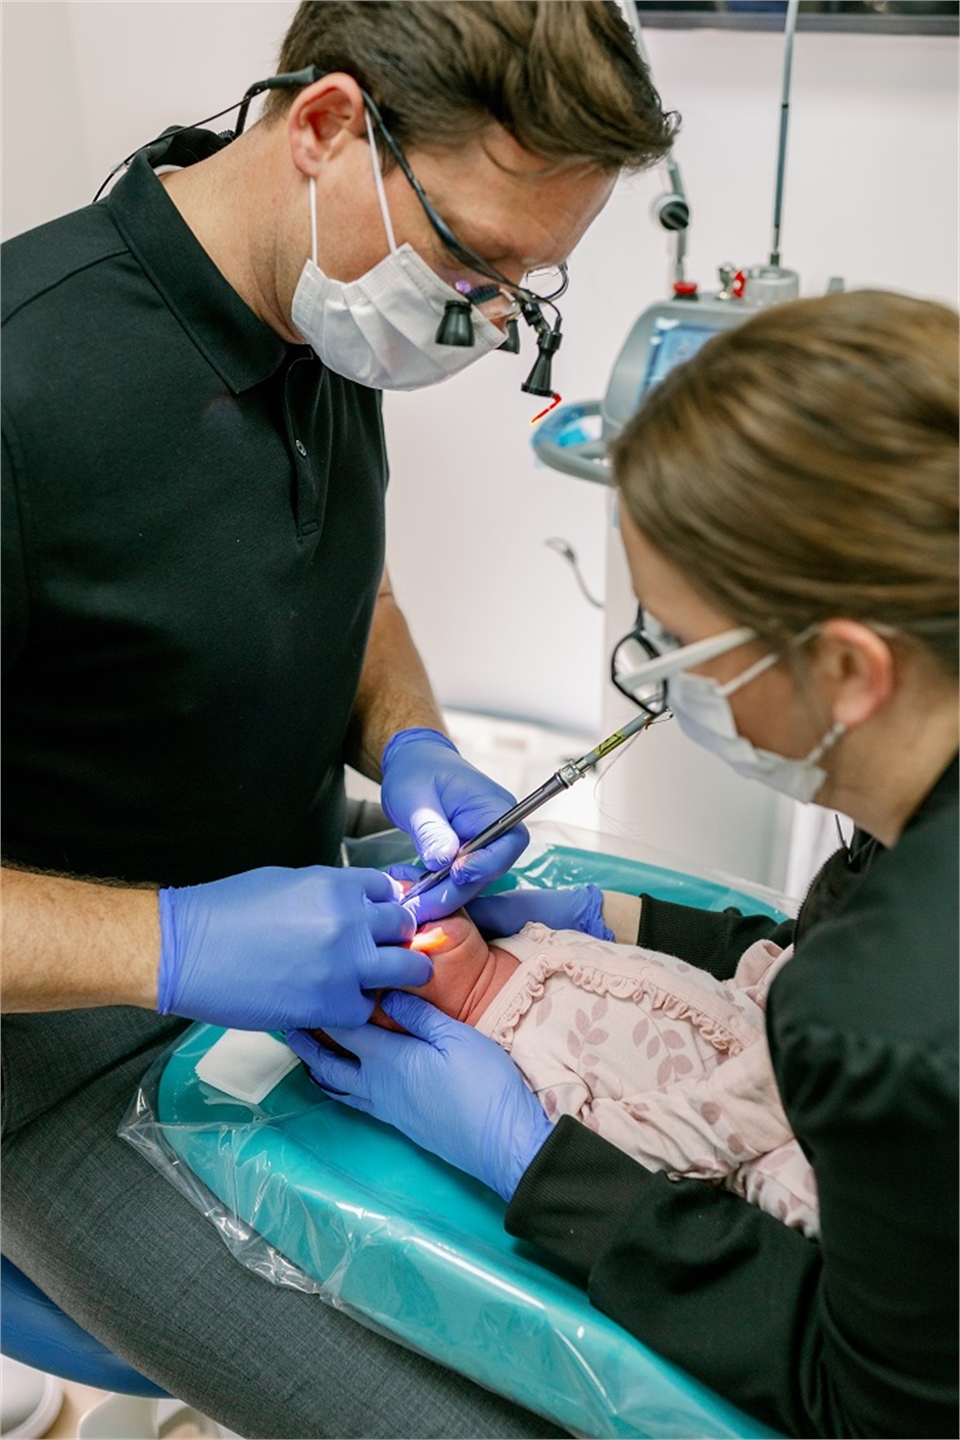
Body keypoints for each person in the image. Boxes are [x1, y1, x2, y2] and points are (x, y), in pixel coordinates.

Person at [0, 4, 675, 1435]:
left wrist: (414, 744)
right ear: (325, 130)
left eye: (525, 289)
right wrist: (173, 943)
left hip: (308, 910)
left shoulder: (323, 309)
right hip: (59, 1041)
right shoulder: (24, 387)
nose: (489, 323)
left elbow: (341, 584)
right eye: (478, 264)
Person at [292, 289, 959, 1439]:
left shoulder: (891, 1026)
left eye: (676, 643)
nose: (655, 679)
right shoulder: (904, 845)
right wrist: (611, 918)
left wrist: (535, 1163)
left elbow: (871, 1399)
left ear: (850, 670)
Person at [326, 904, 820, 1237]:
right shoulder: (502, 1072)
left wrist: (760, 984)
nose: (397, 912)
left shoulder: (529, 936)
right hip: (767, 1145)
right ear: (389, 1027)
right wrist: (758, 1094)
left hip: (778, 1022)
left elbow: (687, 994)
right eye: (370, 958)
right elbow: (622, 1151)